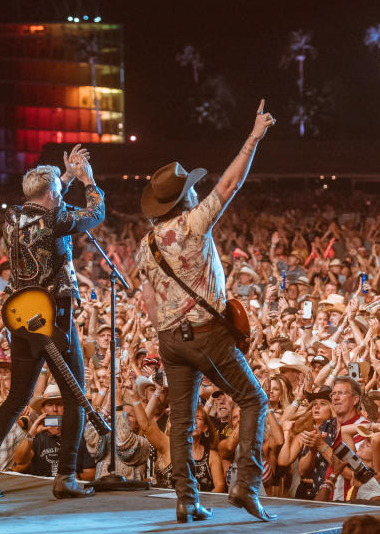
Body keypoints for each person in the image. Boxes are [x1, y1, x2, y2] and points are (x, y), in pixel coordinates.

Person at [136, 100, 276, 523]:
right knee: (254, 399)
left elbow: (147, 299)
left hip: (169, 339)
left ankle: (186, 500)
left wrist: (168, 332)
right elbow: (230, 183)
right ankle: (246, 485)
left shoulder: (147, 243)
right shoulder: (194, 224)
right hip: (204, 333)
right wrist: (253, 137)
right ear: (185, 197)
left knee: (181, 420)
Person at [0, 144, 104, 500]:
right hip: (53, 317)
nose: (61, 193)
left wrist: (66, 176)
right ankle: (67, 477)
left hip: (20, 318)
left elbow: (43, 201)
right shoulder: (55, 220)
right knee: (75, 396)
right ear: (51, 194)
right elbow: (95, 214)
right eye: (59, 190)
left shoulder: (12, 217)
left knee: (17, 396)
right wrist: (87, 180)